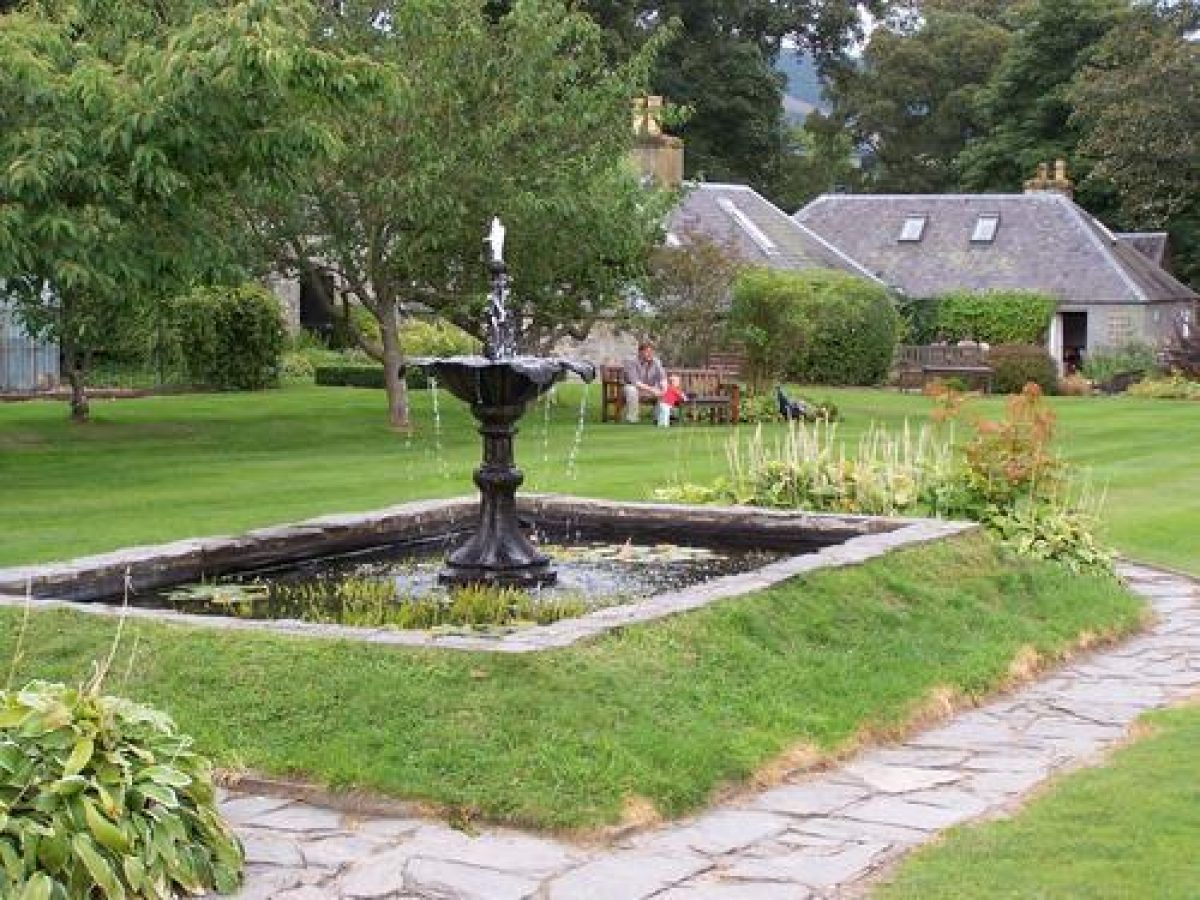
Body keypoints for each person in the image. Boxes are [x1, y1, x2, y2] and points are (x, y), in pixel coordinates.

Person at [622, 340, 667, 423]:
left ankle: (659, 418)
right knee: (631, 390)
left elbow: (662, 378)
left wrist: (664, 388)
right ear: (640, 352)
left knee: (663, 390)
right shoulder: (631, 361)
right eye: (647, 351)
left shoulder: (656, 362)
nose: (650, 354)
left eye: (651, 352)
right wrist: (652, 390)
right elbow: (635, 382)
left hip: (649, 389)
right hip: (634, 388)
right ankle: (632, 418)